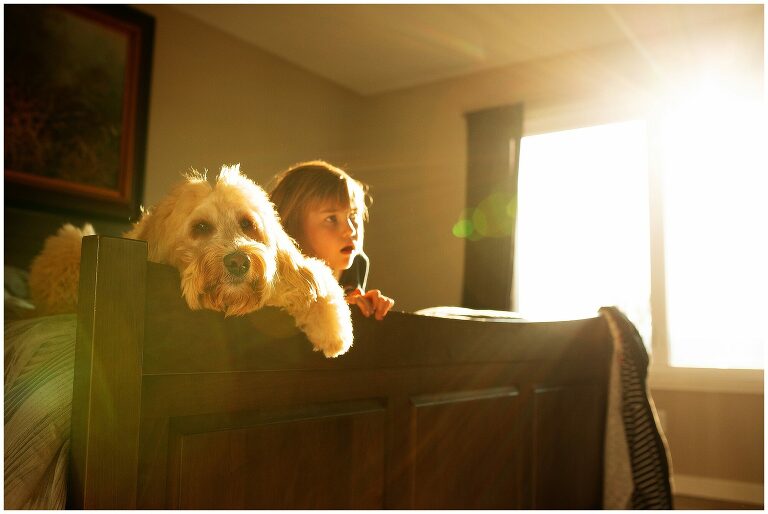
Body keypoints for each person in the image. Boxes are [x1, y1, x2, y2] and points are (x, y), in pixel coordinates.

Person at [269, 160, 394, 320]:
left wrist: (366, 309)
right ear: (291, 229)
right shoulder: (271, 289)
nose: (350, 230)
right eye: (331, 218)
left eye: (353, 215)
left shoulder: (355, 268)